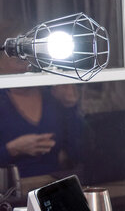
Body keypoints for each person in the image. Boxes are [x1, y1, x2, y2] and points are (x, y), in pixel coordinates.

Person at [0, 47, 84, 179]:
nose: (26, 66)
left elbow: (78, 152)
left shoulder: (51, 95)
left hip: (55, 186)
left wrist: (70, 107)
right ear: (1, 65)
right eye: (19, 60)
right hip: (11, 192)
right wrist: (12, 149)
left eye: (29, 59)